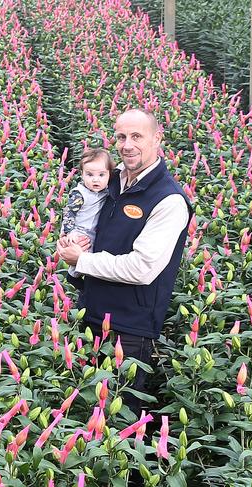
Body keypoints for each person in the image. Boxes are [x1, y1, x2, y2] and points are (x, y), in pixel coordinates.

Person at [57, 108, 192, 414]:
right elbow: (84, 220)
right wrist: (70, 239)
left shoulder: (168, 200)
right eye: (120, 136)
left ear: (157, 139)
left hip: (129, 327)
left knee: (118, 417)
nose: (127, 144)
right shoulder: (111, 181)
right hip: (91, 313)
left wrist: (84, 260)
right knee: (85, 406)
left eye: (136, 136)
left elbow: (142, 268)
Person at [59, 148, 114, 278]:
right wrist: (69, 232)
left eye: (101, 175)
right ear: (82, 174)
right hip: (79, 231)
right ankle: (74, 275)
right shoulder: (80, 194)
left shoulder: (105, 191)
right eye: (90, 175)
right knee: (79, 251)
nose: (96, 180)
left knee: (93, 256)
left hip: (93, 231)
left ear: (109, 175)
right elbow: (69, 213)